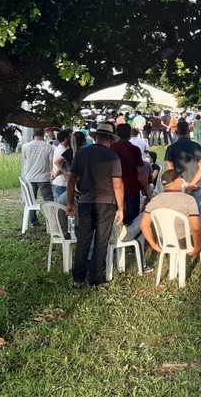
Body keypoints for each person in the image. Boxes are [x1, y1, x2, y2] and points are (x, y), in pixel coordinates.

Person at [140, 169, 201, 281]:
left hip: (165, 241)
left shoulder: (154, 200)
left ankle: (173, 270)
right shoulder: (188, 200)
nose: (183, 180)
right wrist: (197, 247)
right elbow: (196, 229)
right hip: (185, 241)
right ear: (176, 181)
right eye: (180, 177)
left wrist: (153, 244)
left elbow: (144, 225)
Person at [66, 123, 124, 288]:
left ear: (96, 136)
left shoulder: (81, 154)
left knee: (83, 240)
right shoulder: (113, 157)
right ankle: (95, 279)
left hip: (84, 202)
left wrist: (71, 202)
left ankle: (78, 279)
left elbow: (71, 181)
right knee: (101, 241)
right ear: (110, 139)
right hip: (106, 203)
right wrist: (120, 208)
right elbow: (117, 184)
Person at [111, 123, 153, 255]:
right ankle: (132, 242)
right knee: (133, 217)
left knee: (118, 214)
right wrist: (146, 187)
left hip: (115, 187)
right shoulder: (134, 149)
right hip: (132, 186)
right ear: (129, 134)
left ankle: (118, 238)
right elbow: (140, 171)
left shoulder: (112, 148)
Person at [165, 121, 201, 211]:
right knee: (196, 215)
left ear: (176, 132)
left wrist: (181, 184)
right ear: (189, 131)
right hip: (195, 186)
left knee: (180, 214)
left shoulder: (171, 148)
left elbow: (170, 169)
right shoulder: (197, 146)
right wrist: (191, 184)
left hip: (178, 187)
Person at [20, 128, 55, 227]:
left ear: (33, 135)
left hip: (29, 178)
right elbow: (50, 163)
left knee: (31, 200)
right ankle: (51, 221)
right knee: (48, 200)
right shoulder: (48, 147)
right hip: (43, 178)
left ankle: (33, 221)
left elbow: (25, 160)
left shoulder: (25, 147)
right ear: (43, 135)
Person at [51, 130, 73, 205]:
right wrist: (65, 172)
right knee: (62, 206)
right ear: (66, 138)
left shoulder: (58, 149)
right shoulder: (64, 151)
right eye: (69, 136)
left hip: (58, 182)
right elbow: (60, 163)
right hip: (62, 182)